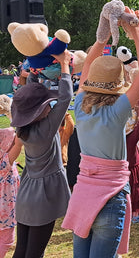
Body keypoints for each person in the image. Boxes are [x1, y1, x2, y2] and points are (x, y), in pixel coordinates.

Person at [62, 6, 139, 257]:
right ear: (118, 84)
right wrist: (135, 31)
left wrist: (101, 37)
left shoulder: (80, 105)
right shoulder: (118, 110)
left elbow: (88, 63)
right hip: (111, 196)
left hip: (83, 193)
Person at [11, 50, 73, 258]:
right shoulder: (46, 129)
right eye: (46, 105)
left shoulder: (24, 128)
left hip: (26, 196)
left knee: (22, 250)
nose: (50, 107)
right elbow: (65, 98)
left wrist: (35, 73)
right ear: (39, 111)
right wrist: (65, 66)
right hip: (42, 199)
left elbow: (27, 99)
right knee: (35, 253)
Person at [0, 96, 22, 258]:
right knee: (7, 240)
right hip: (5, 212)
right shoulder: (5, 164)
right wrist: (12, 113)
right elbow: (20, 139)